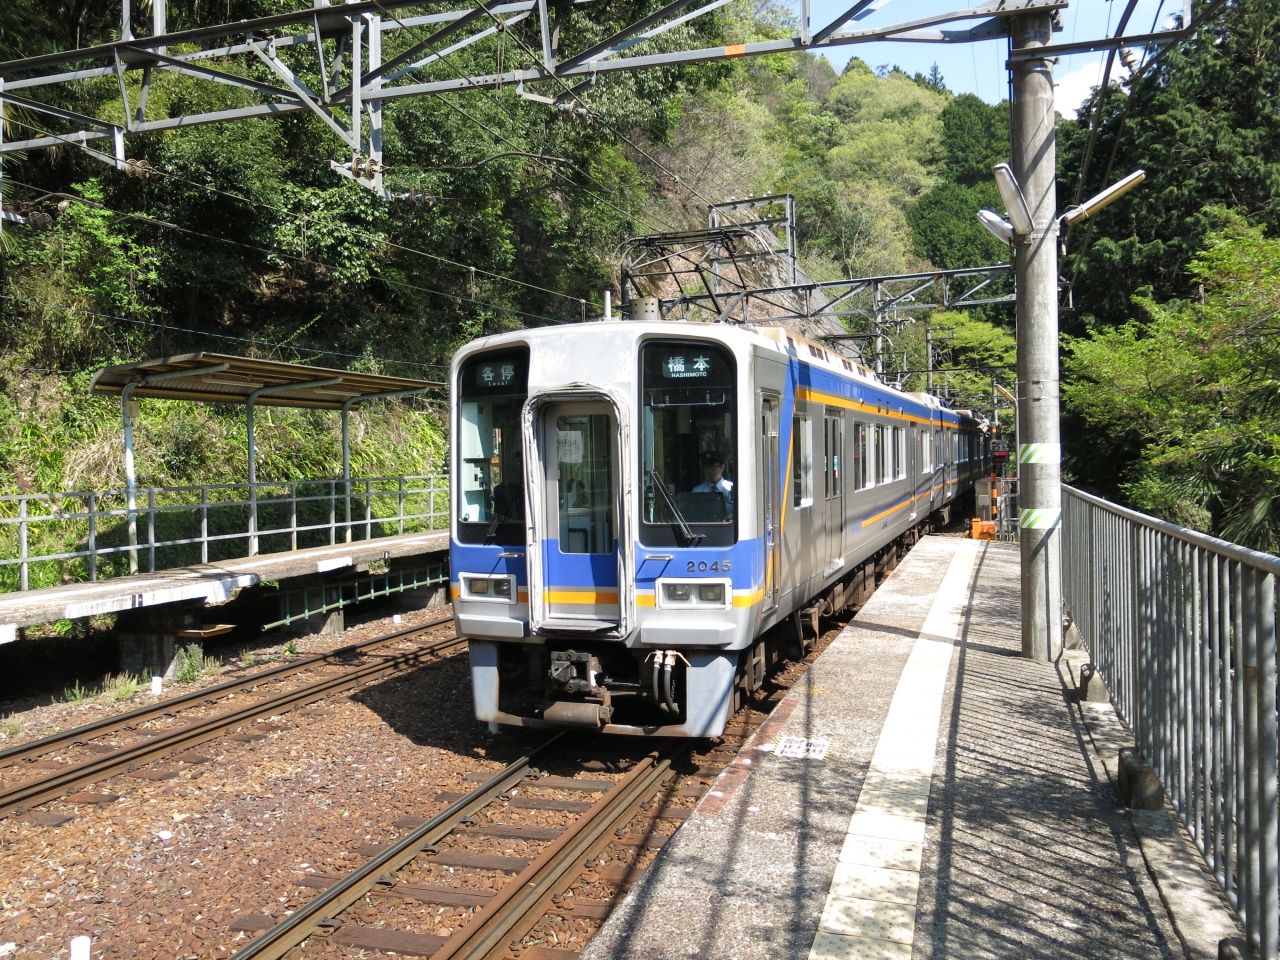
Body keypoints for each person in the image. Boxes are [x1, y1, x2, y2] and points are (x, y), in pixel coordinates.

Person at [693, 449, 733, 518]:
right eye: (706, 467)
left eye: (713, 467)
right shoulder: (698, 490)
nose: (709, 470)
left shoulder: (731, 489)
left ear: (722, 467)